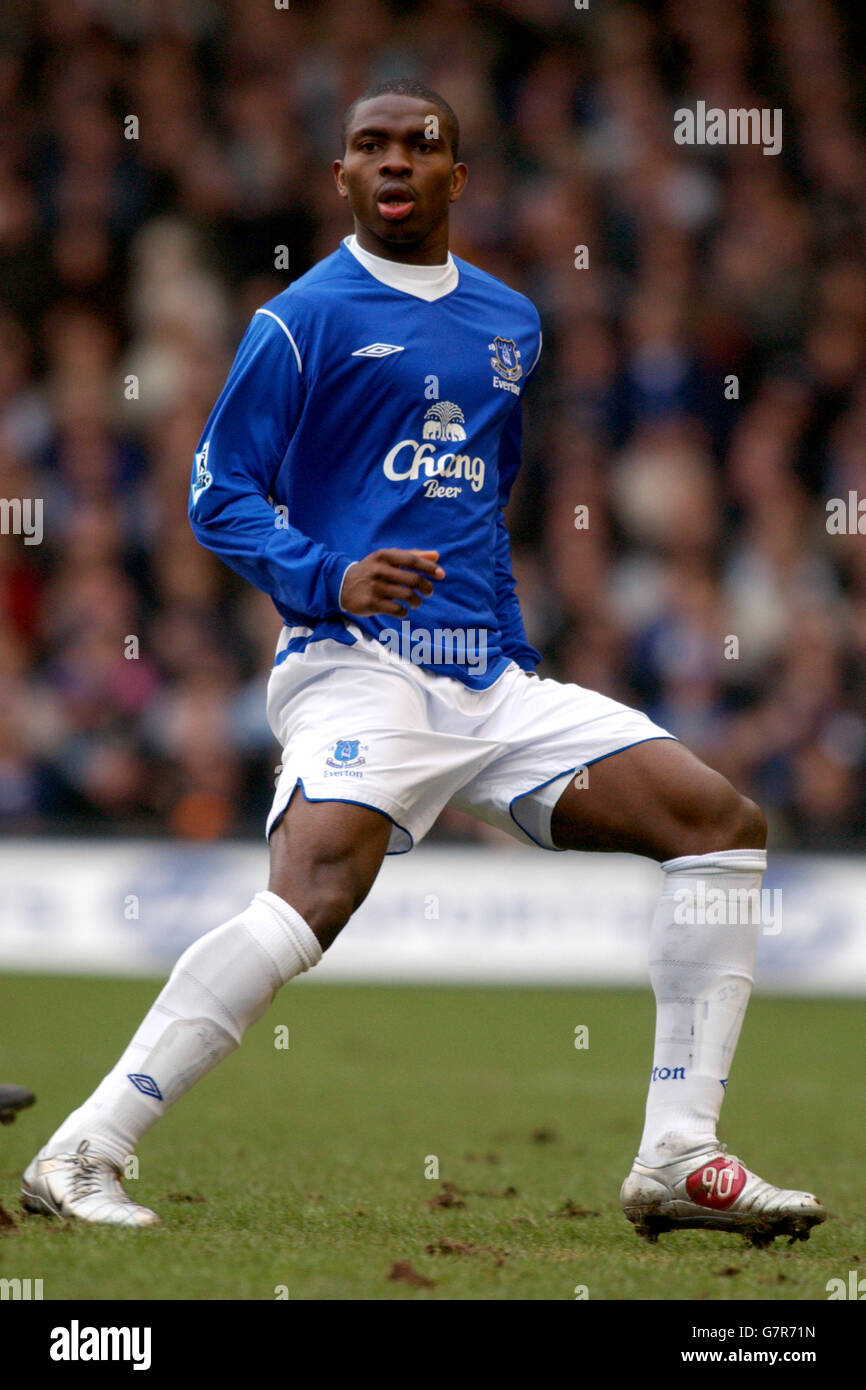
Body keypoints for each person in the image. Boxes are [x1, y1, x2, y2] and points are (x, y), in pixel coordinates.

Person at [22, 79, 824, 1244]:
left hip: (487, 675)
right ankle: (82, 1147)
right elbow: (215, 493)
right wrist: (327, 575)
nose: (394, 163)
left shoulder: (509, 321)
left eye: (419, 145)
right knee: (316, 892)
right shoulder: (300, 318)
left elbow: (483, 506)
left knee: (717, 823)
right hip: (355, 661)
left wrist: (513, 658)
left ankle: (675, 1152)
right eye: (369, 147)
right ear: (340, 178)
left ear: (459, 176)